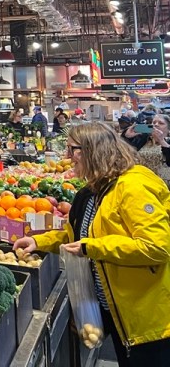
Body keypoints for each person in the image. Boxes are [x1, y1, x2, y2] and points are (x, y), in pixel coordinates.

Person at [14, 122, 170, 366]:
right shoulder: (93, 191)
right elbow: (77, 237)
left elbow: (158, 247)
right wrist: (38, 241)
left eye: (72, 149)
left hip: (146, 318)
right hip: (117, 311)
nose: (67, 157)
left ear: (92, 150)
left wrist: (94, 247)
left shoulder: (133, 188)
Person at [136, 114, 170, 184]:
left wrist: (161, 141)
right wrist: (126, 137)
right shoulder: (144, 139)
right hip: (143, 181)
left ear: (168, 128)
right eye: (154, 122)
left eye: (161, 123)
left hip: (163, 183)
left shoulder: (167, 141)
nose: (156, 125)